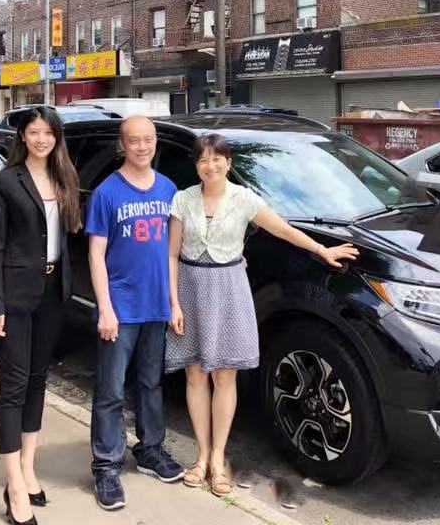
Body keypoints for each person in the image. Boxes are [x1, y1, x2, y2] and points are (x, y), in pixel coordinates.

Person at [166, 133, 359, 497]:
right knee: (195, 374)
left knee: (225, 375)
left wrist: (322, 250)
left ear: (228, 163)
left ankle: (219, 458)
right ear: (196, 165)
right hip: (190, 289)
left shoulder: (244, 199)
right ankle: (202, 456)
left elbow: (283, 229)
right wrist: (173, 303)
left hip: (229, 289)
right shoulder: (182, 199)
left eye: (217, 158)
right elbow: (171, 254)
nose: (210, 165)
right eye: (203, 159)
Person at [0, 106, 81, 525]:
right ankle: (13, 487)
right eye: (34, 132)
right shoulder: (6, 180)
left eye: (48, 133)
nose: (42, 139)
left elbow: (71, 234)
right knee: (14, 386)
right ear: (22, 136)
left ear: (57, 138)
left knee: (39, 379)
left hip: (53, 292)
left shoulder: (64, 177)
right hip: (15, 294)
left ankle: (27, 468)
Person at [86, 115, 183, 511]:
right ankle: (106, 465)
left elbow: (173, 251)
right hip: (121, 308)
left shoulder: (169, 189)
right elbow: (95, 254)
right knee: (111, 389)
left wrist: (174, 302)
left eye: (148, 139)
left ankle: (150, 449)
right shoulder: (106, 193)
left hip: (155, 306)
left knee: (150, 383)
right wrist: (105, 308)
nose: (142, 147)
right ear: (122, 145)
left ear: (155, 142)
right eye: (134, 140)